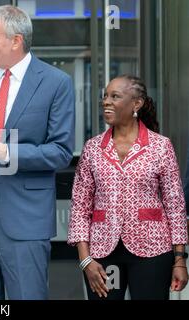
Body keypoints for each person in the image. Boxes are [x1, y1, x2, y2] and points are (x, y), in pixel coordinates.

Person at [0, 5, 75, 300]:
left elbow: (61, 151)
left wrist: (5, 151)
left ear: (16, 40)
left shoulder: (56, 83)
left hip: (26, 217)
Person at [68, 75, 188, 300]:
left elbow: (175, 206)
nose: (106, 101)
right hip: (103, 255)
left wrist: (180, 259)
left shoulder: (161, 146)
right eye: (105, 96)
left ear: (136, 104)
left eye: (115, 96)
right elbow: (80, 208)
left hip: (152, 251)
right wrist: (86, 262)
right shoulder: (93, 148)